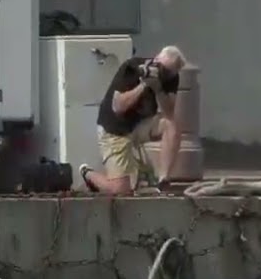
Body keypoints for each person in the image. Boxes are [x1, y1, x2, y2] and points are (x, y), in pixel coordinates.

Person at [80, 45, 186, 195]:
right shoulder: (131, 68)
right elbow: (118, 107)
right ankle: (87, 173)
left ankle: (164, 180)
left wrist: (158, 88)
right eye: (161, 67)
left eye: (168, 72)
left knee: (171, 125)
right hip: (115, 129)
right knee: (121, 191)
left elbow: (169, 112)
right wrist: (144, 85)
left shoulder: (170, 77)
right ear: (155, 59)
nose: (163, 72)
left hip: (139, 125)